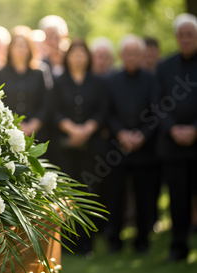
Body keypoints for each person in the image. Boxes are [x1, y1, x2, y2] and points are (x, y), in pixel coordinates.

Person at [52, 39, 109, 255]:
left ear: (88, 57)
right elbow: (54, 111)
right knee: (67, 193)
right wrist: (72, 130)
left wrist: (86, 130)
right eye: (73, 53)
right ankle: (67, 243)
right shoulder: (59, 81)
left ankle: (87, 244)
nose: (77, 57)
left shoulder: (98, 82)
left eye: (81, 53)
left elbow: (102, 110)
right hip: (65, 147)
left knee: (88, 192)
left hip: (92, 146)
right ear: (67, 57)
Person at [106, 34, 159, 254]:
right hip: (117, 149)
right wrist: (121, 134)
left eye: (136, 53)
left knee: (144, 197)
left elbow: (157, 111)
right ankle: (114, 241)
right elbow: (107, 113)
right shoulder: (112, 80)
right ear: (121, 55)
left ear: (140, 55)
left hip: (143, 149)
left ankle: (142, 241)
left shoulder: (151, 79)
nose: (131, 57)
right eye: (127, 53)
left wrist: (142, 135)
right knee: (115, 197)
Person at [156, 13, 197, 262]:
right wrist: (173, 129)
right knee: (178, 198)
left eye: (190, 34)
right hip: (173, 146)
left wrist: (195, 129)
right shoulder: (164, 66)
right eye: (181, 35)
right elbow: (158, 104)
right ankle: (178, 246)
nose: (185, 39)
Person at [0, 25, 49, 141]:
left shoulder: (40, 73)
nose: (21, 50)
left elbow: (46, 102)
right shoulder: (0, 73)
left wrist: (33, 125)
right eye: (17, 46)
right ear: (10, 49)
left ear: (30, 49)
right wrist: (13, 125)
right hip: (8, 133)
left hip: (37, 134)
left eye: (24, 46)